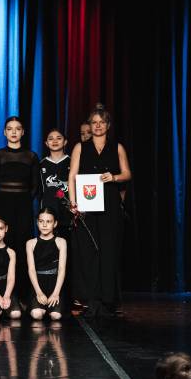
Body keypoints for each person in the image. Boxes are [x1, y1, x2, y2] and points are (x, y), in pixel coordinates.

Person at [67, 103, 131, 317]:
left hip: (110, 204)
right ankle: (90, 299)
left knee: (109, 251)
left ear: (108, 125)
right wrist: (73, 203)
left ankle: (109, 299)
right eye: (94, 122)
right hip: (87, 204)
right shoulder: (80, 147)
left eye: (101, 122)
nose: (97, 126)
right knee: (89, 252)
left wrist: (114, 177)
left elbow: (127, 174)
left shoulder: (117, 147)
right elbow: (72, 176)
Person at [0, 116, 39, 303]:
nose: (13, 132)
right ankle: (3, 296)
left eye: (17, 128)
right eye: (10, 129)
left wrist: (24, 202)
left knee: (22, 250)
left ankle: (23, 296)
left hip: (23, 208)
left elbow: (35, 187)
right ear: (4, 132)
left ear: (23, 132)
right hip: (3, 206)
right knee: (3, 249)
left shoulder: (31, 156)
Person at [26, 208, 67, 321]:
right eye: (41, 221)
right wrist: (38, 292)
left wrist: (56, 293)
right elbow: (31, 269)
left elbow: (62, 269)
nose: (44, 225)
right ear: (37, 222)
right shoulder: (30, 243)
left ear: (55, 223)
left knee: (56, 316)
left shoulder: (61, 242)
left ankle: (53, 305)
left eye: (48, 221)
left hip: (55, 283)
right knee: (37, 314)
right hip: (38, 283)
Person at [40, 128, 72, 240]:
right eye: (51, 139)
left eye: (59, 138)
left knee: (68, 242)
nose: (54, 141)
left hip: (68, 212)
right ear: (46, 143)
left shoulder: (72, 162)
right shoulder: (42, 164)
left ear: (65, 142)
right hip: (48, 212)